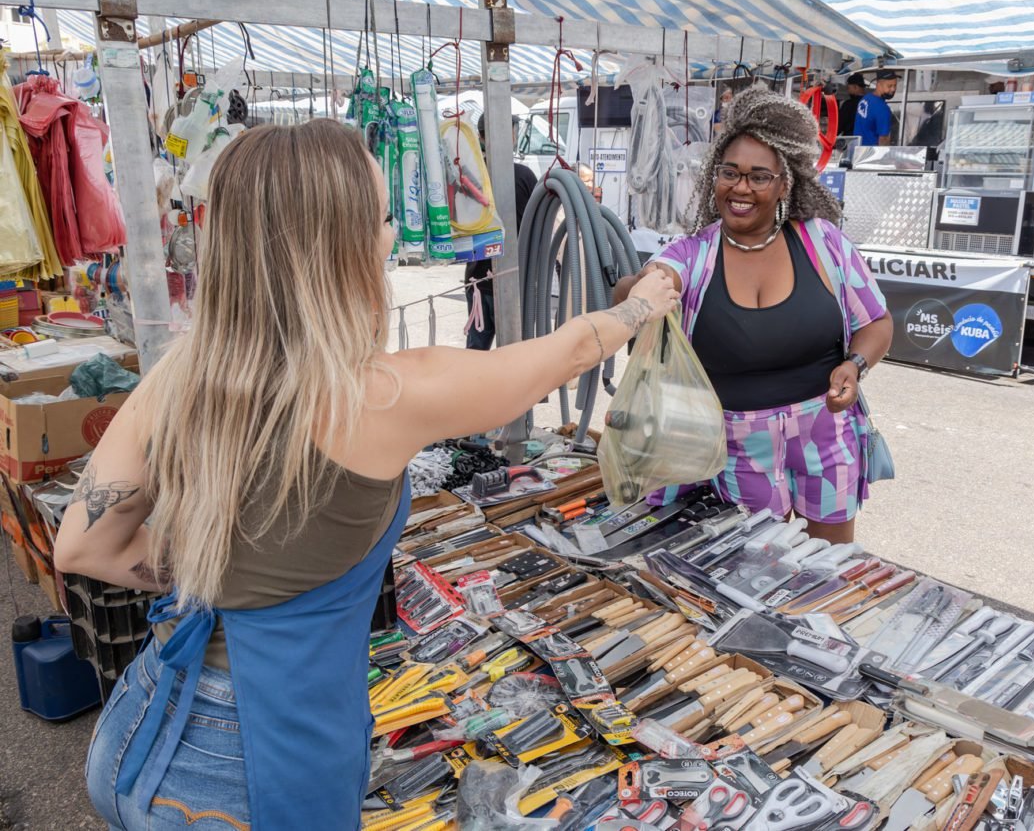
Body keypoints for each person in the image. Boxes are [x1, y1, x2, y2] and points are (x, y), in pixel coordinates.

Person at [54, 120, 678, 831]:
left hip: (139, 727)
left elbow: (81, 547)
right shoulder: (381, 394)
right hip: (253, 763)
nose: (390, 237)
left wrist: (210, 576)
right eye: (382, 219)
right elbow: (563, 354)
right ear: (339, 245)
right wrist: (643, 301)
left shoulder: (180, 376)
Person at [612, 87, 893, 543]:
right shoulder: (694, 254)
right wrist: (637, 291)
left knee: (831, 565)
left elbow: (876, 323)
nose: (741, 187)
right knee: (754, 568)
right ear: (713, 178)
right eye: (730, 173)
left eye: (759, 176)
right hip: (737, 444)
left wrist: (854, 365)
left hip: (825, 429)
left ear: (786, 183)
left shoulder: (824, 244)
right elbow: (655, 279)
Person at [467, 113, 538, 350]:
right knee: (513, 352)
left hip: (479, 279)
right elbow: (537, 226)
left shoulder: (470, 176)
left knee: (476, 353)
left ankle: (476, 387)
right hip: (508, 280)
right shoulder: (522, 175)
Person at [853, 70, 898, 146]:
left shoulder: (864, 99)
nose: (893, 89)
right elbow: (883, 139)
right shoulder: (883, 109)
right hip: (871, 154)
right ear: (878, 84)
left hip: (858, 151)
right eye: (889, 86)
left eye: (895, 85)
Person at [837, 73, 867, 137]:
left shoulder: (848, 105)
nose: (848, 91)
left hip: (850, 141)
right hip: (868, 143)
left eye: (849, 88)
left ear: (855, 87)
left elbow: (839, 126)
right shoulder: (872, 103)